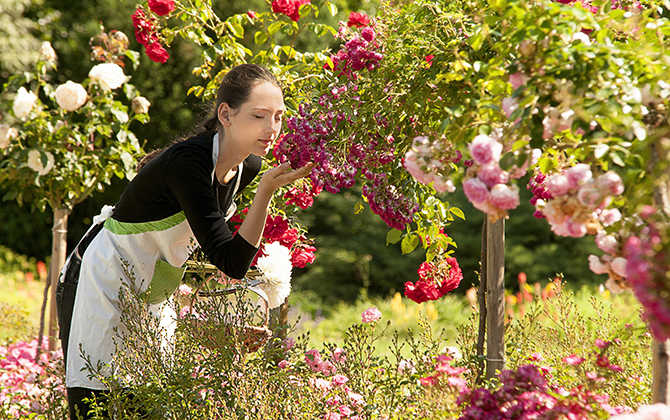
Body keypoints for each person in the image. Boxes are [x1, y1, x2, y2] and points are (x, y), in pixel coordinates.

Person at [56, 63, 312, 420]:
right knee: (95, 405)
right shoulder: (188, 165)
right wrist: (266, 192)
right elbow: (232, 260)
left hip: (150, 292)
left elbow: (214, 254)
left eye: (279, 118)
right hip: (100, 281)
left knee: (152, 406)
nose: (272, 129)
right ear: (226, 114)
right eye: (259, 116)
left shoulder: (247, 167)